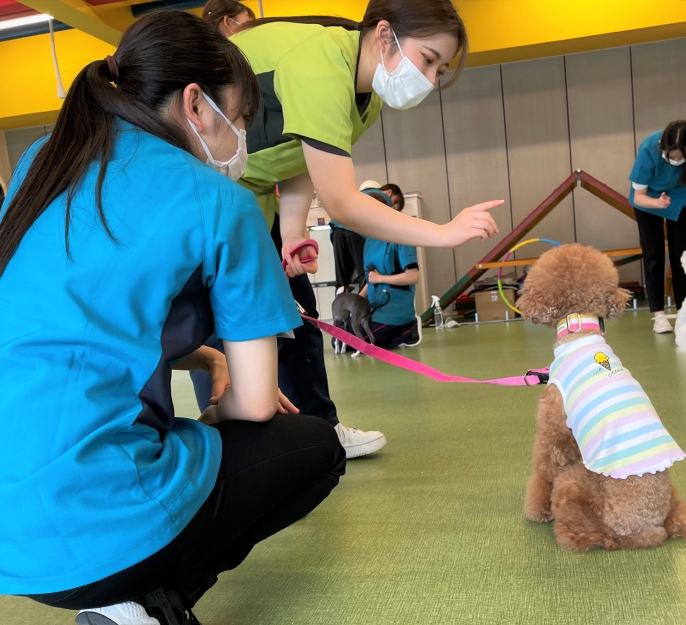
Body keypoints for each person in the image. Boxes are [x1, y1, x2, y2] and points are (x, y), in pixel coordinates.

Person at [0, 12, 345, 625]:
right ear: (195, 102)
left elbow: (84, 318)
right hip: (87, 515)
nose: (240, 139)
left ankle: (125, 601)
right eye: (238, 120)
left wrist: (207, 357)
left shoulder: (40, 164)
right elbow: (257, 406)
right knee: (319, 447)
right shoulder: (220, 201)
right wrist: (218, 420)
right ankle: (151, 606)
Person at [213, 0, 502, 458]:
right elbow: (344, 203)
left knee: (298, 316)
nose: (430, 80)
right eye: (428, 60)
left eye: (440, 71)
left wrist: (290, 232)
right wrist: (443, 233)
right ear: (384, 35)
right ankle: (223, 450)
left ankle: (319, 433)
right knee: (219, 331)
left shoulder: (366, 97)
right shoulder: (323, 63)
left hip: (248, 195)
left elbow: (298, 157)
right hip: (205, 192)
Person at [628, 120, 686, 334]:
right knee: (654, 255)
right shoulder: (649, 147)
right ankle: (658, 315)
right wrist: (657, 203)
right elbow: (638, 196)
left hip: (681, 195)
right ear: (663, 148)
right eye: (671, 157)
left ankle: (684, 311)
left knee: (681, 255)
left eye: (681, 156)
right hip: (648, 199)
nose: (676, 161)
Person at [336, 191, 422, 350]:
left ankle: (409, 327)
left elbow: (413, 276)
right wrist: (354, 302)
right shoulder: (369, 242)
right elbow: (371, 279)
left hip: (394, 311)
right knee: (339, 337)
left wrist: (380, 278)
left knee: (356, 342)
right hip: (373, 309)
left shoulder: (402, 236)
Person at [331, 180, 405, 293]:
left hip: (336, 231)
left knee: (341, 280)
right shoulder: (381, 197)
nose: (392, 205)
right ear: (389, 192)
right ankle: (364, 308)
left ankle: (340, 307)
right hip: (356, 232)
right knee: (364, 276)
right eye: (395, 201)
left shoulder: (356, 194)